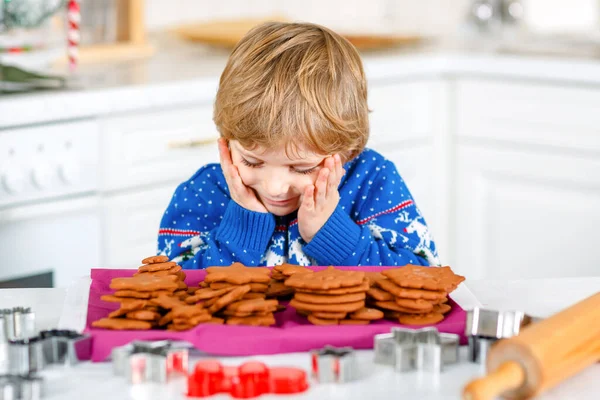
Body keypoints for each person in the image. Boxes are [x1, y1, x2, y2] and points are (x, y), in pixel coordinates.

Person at [156, 21, 439, 269]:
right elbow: (171, 288)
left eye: (303, 168)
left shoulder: (372, 181)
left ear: (348, 150)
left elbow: (424, 276)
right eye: (252, 162)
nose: (275, 187)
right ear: (227, 142)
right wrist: (243, 228)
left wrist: (329, 232)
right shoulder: (204, 192)